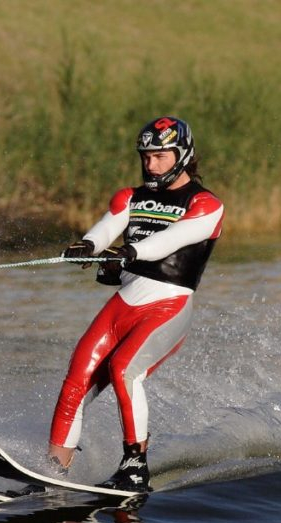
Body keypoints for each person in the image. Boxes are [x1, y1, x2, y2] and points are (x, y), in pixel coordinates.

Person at [49, 116, 224, 492]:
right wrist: (89, 246)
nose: (151, 164)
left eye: (160, 156)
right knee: (77, 376)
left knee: (124, 369)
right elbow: (107, 227)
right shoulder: (130, 196)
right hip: (123, 304)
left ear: (182, 155)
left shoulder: (205, 204)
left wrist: (128, 252)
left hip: (167, 306)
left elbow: (170, 241)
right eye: (146, 156)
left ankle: (134, 466)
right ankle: (53, 471)